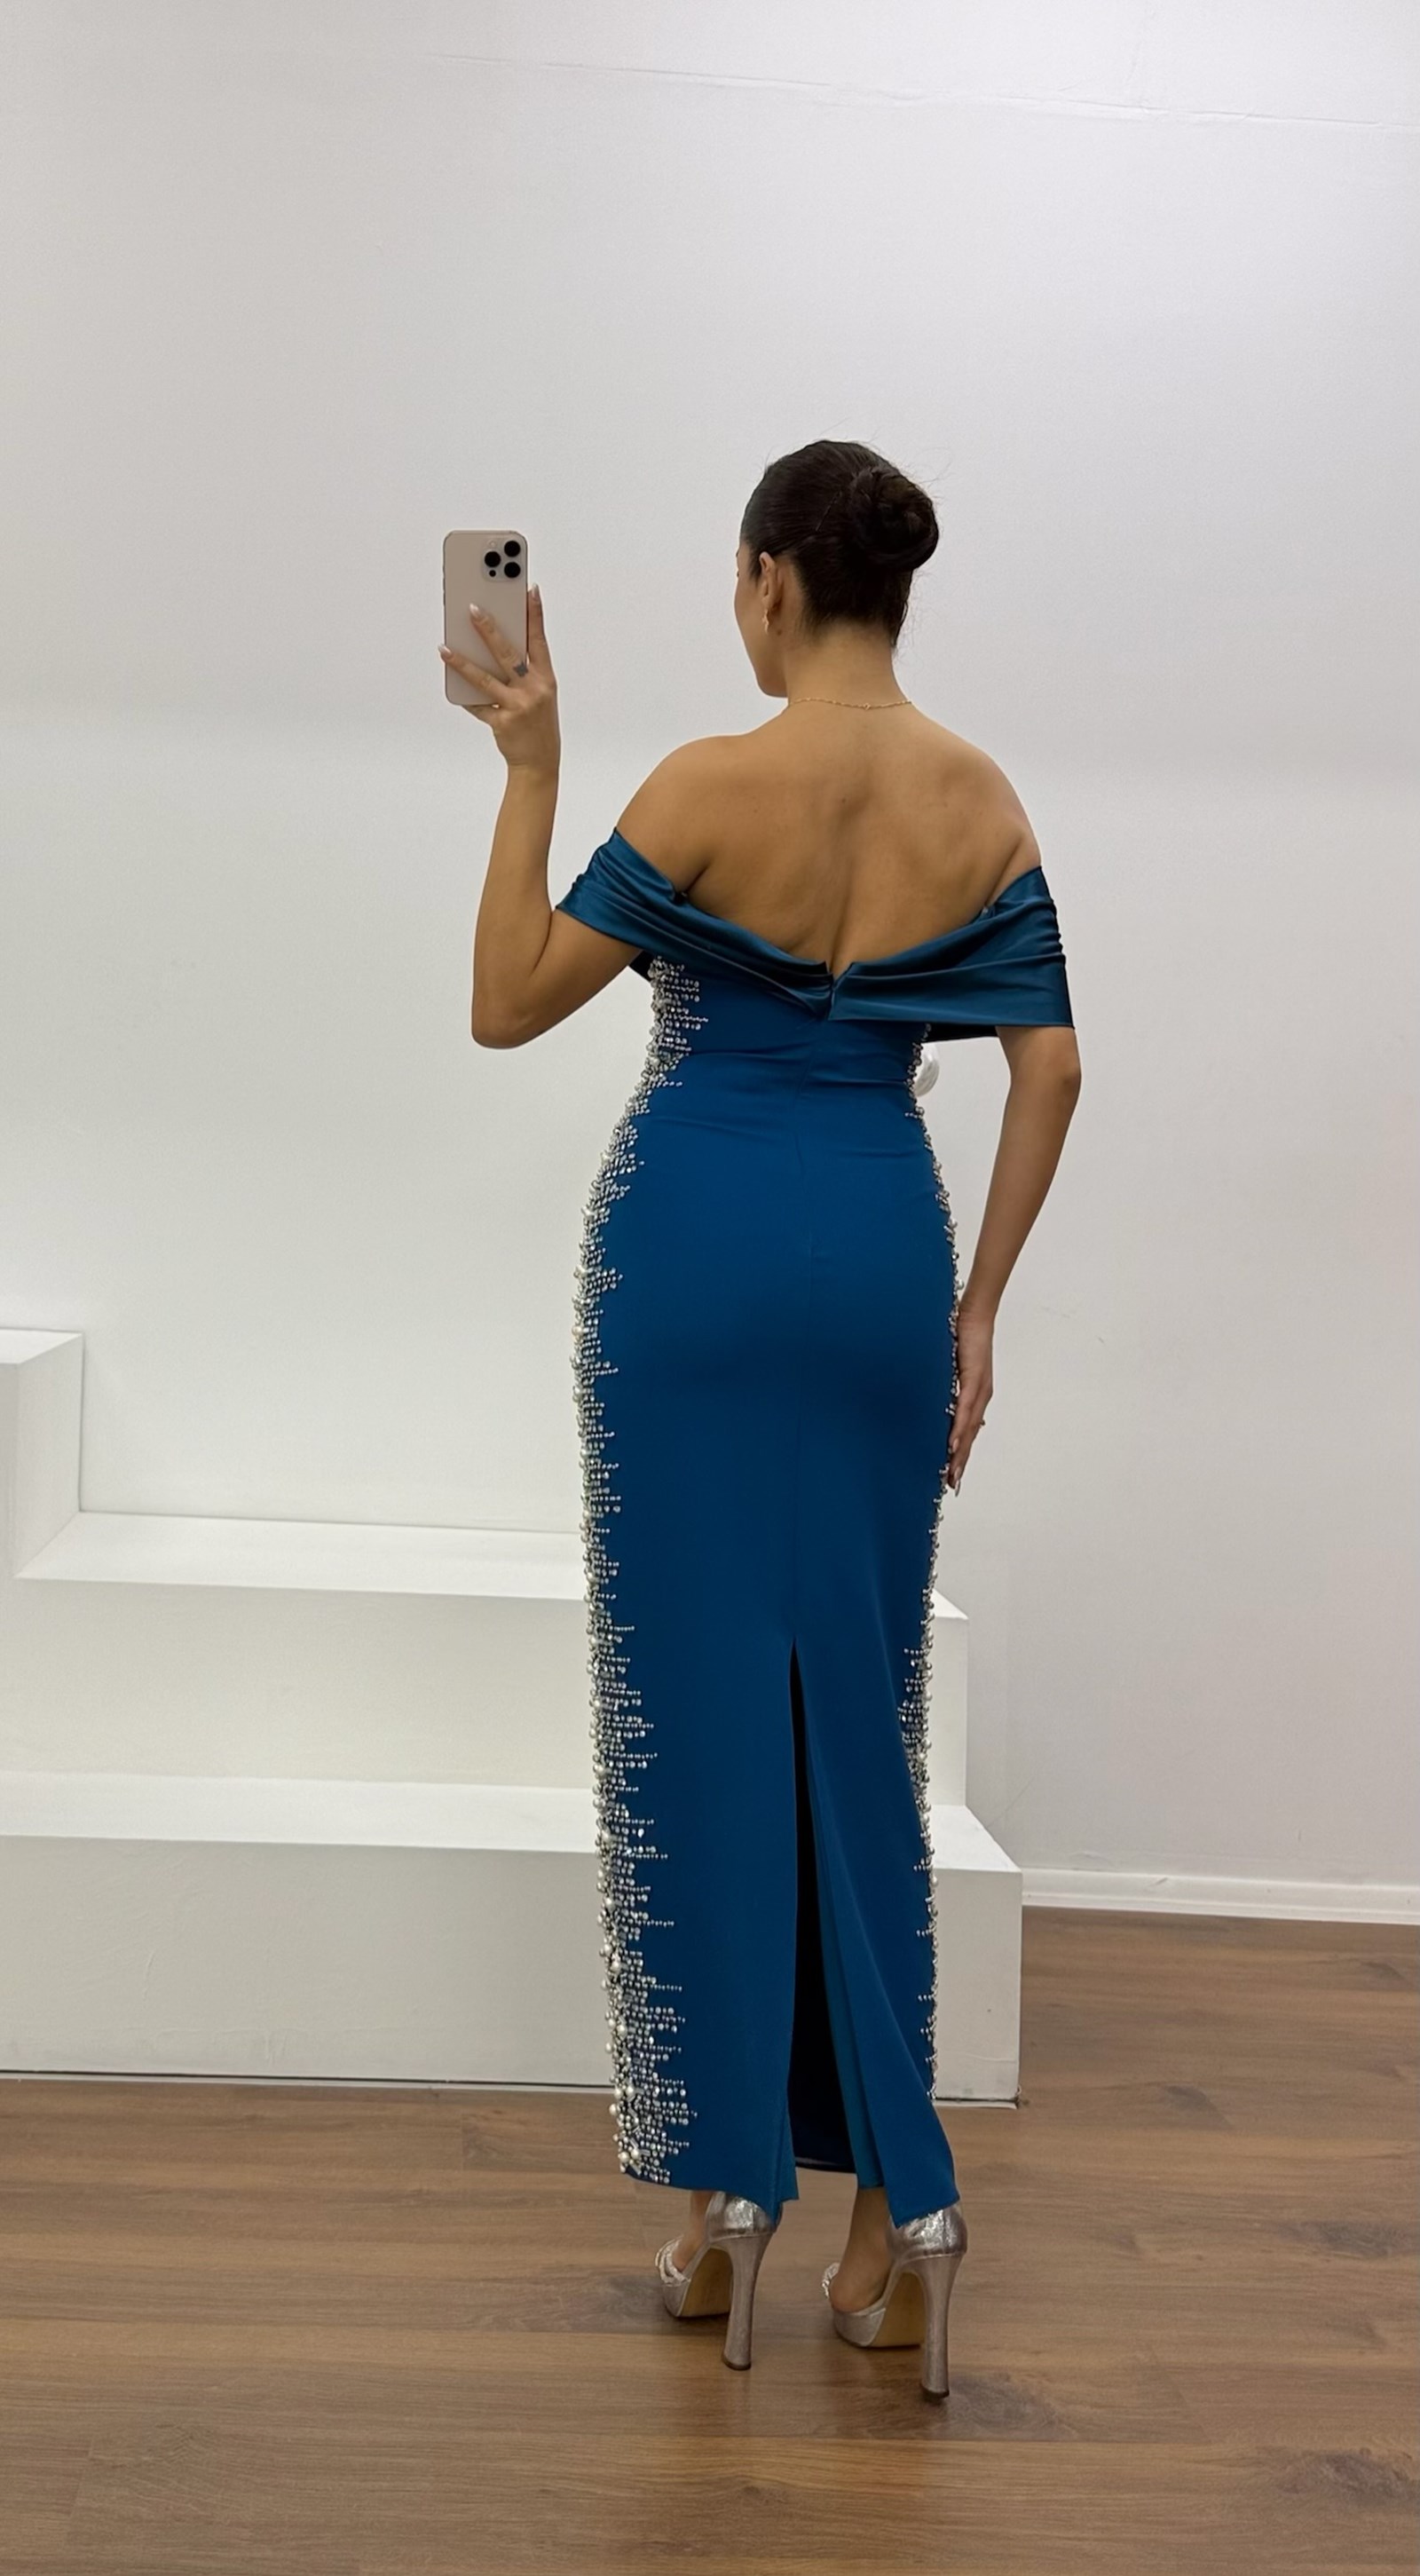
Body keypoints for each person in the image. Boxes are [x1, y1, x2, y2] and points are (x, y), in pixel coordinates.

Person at [443, 438, 1081, 2398]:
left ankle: (731, 2196)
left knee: (695, 1720)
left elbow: (507, 998)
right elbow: (1050, 1067)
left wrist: (532, 765)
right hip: (879, 1255)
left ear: (769, 584)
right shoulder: (978, 798)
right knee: (861, 1722)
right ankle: (904, 2215)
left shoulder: (701, 788)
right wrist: (979, 1307)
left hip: (691, 1260)